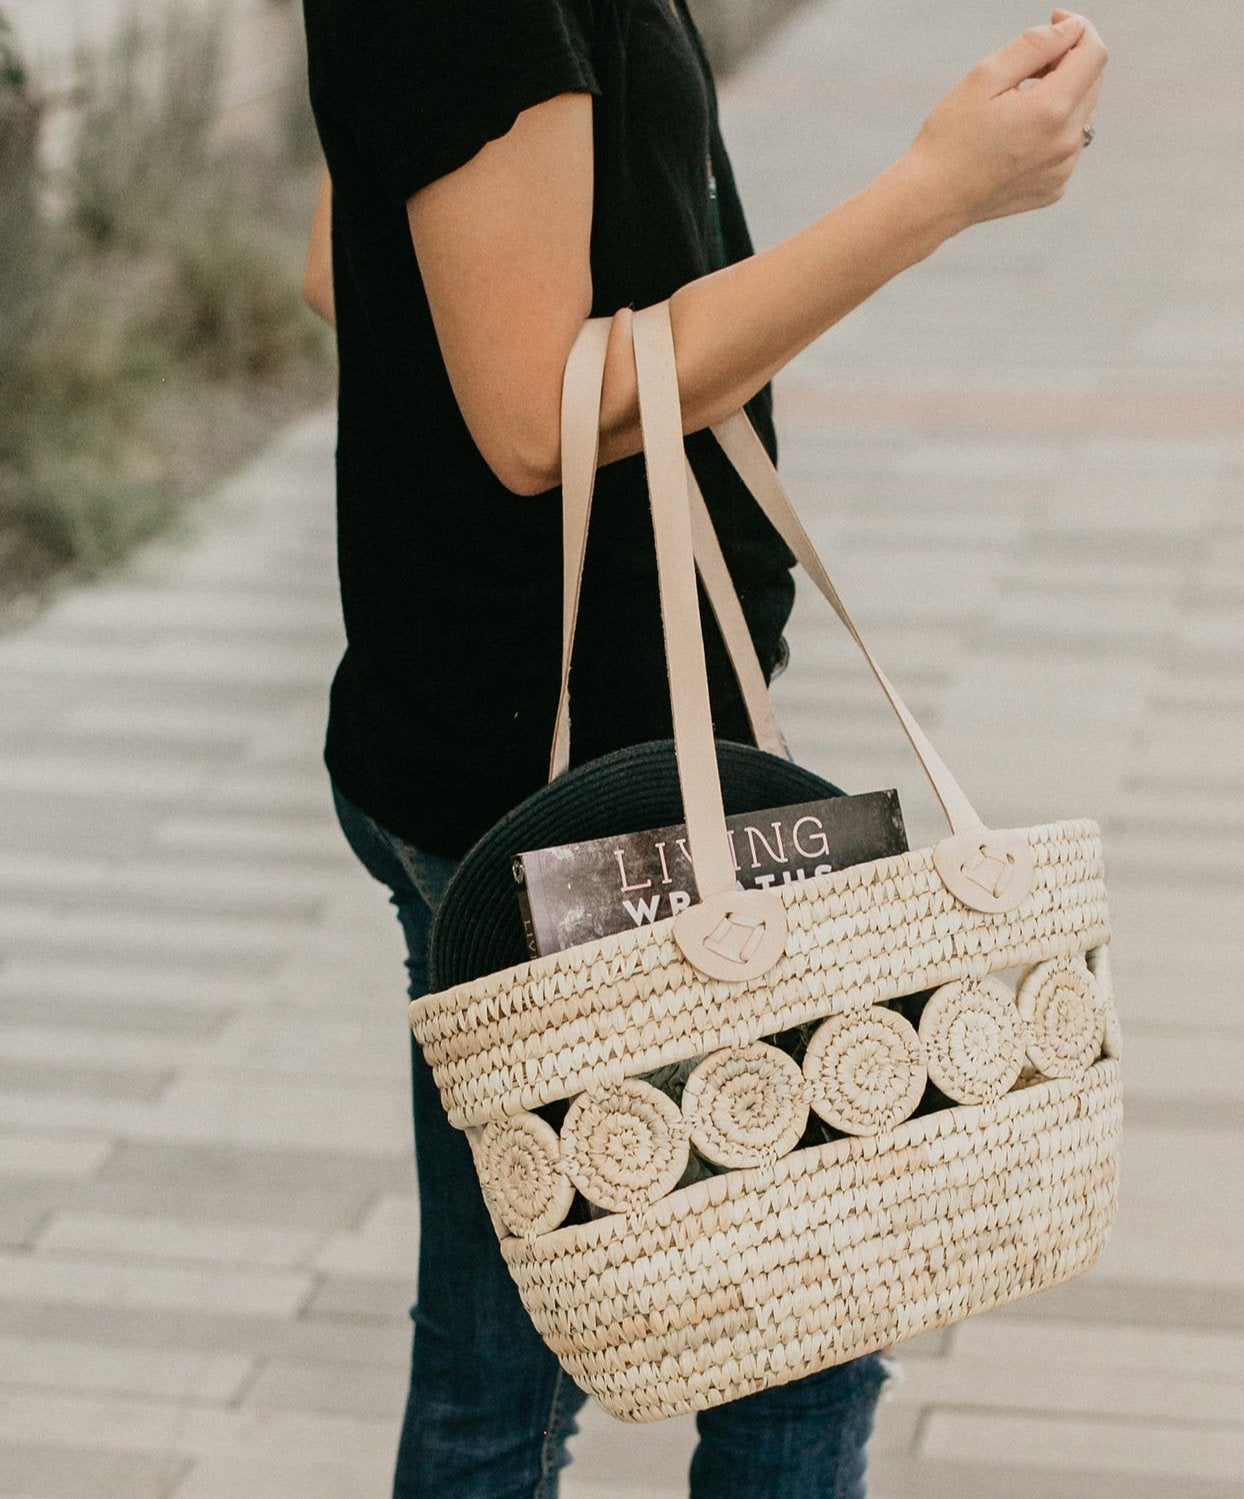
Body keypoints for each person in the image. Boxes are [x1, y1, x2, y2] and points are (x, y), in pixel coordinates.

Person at [299, 2, 1106, 1494]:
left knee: (500, 1360)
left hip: (501, 736)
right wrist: (934, 194)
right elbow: (534, 421)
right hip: (572, 794)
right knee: (806, 1331)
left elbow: (351, 274)